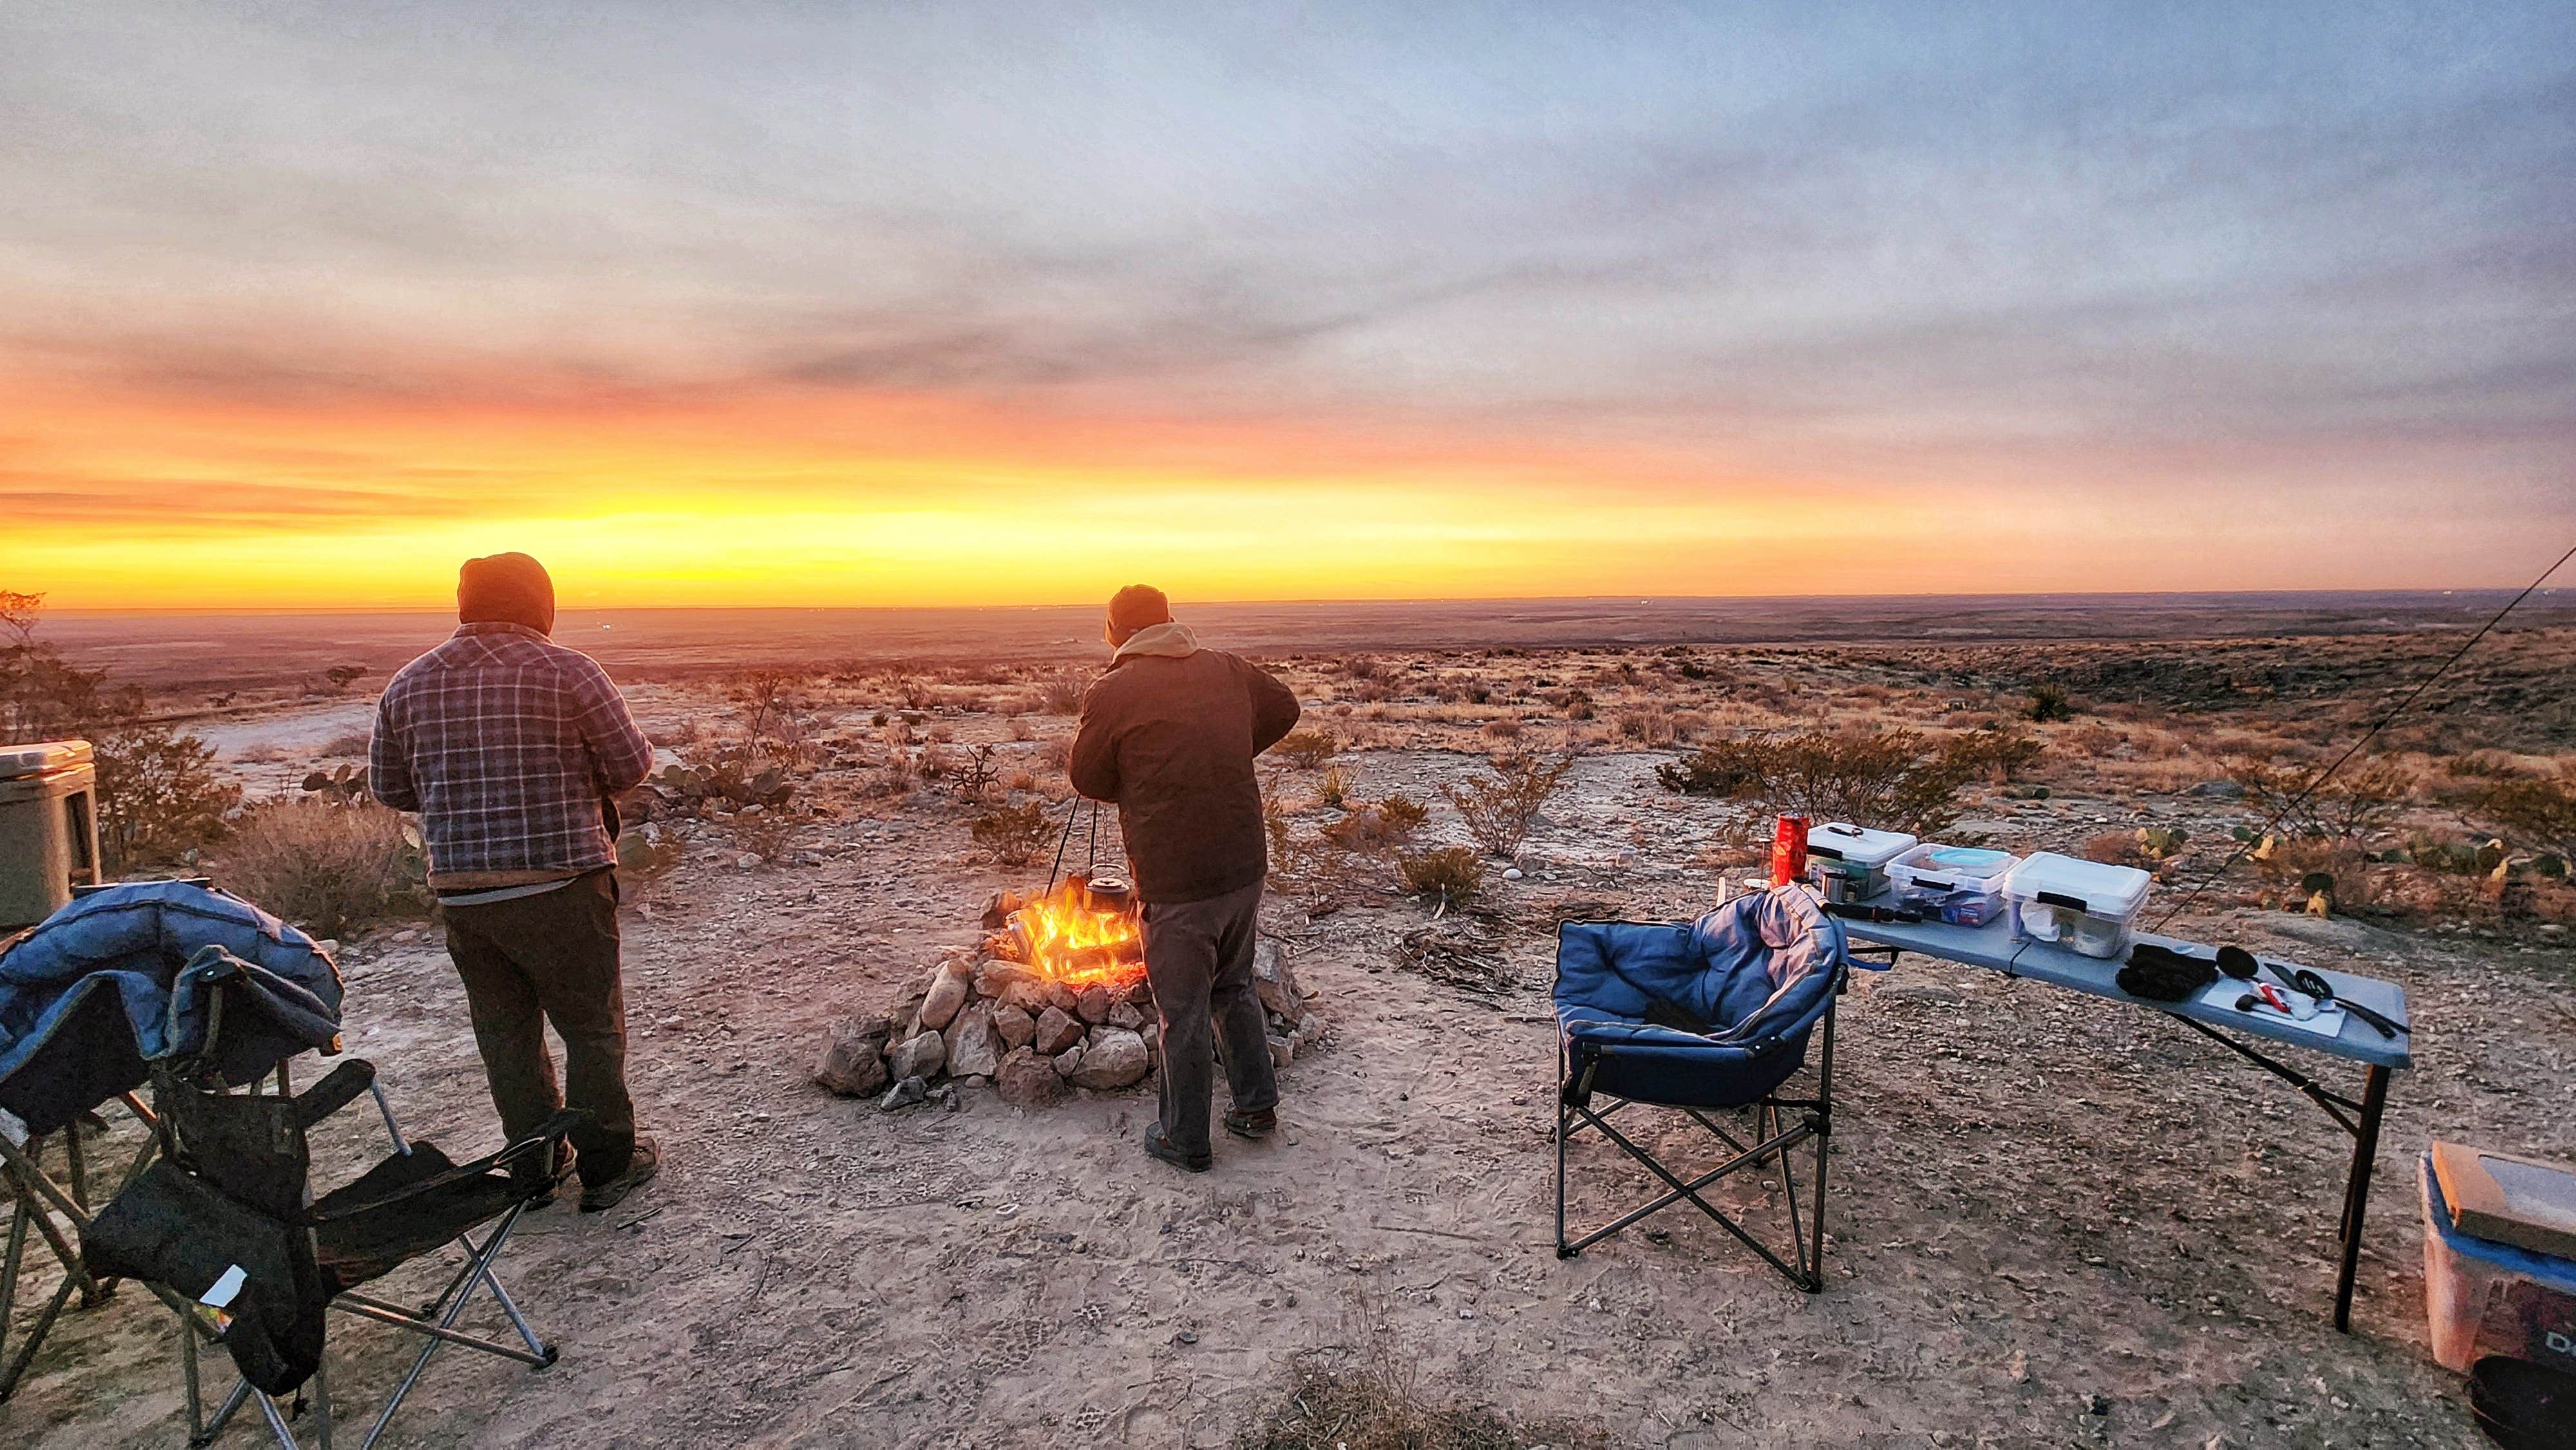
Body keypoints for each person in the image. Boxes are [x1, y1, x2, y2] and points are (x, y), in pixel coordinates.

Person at [369, 553, 660, 1212]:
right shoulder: (569, 671)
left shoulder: (409, 682)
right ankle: (608, 1167)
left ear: (465, 602)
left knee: (505, 1035)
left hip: (465, 893)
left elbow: (390, 787)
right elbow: (629, 765)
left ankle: (534, 1168)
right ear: (541, 603)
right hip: (562, 883)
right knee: (590, 1027)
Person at [1070, 585, 1302, 1171]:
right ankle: (1256, 1107)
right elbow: (1285, 707)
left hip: (1175, 874)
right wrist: (1224, 753)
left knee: (1182, 1010)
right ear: (1169, 621)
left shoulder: (1113, 690)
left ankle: (1185, 1138)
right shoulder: (1226, 668)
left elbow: (1086, 778)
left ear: (1117, 631)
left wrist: (1147, 777)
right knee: (1234, 985)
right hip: (1242, 863)